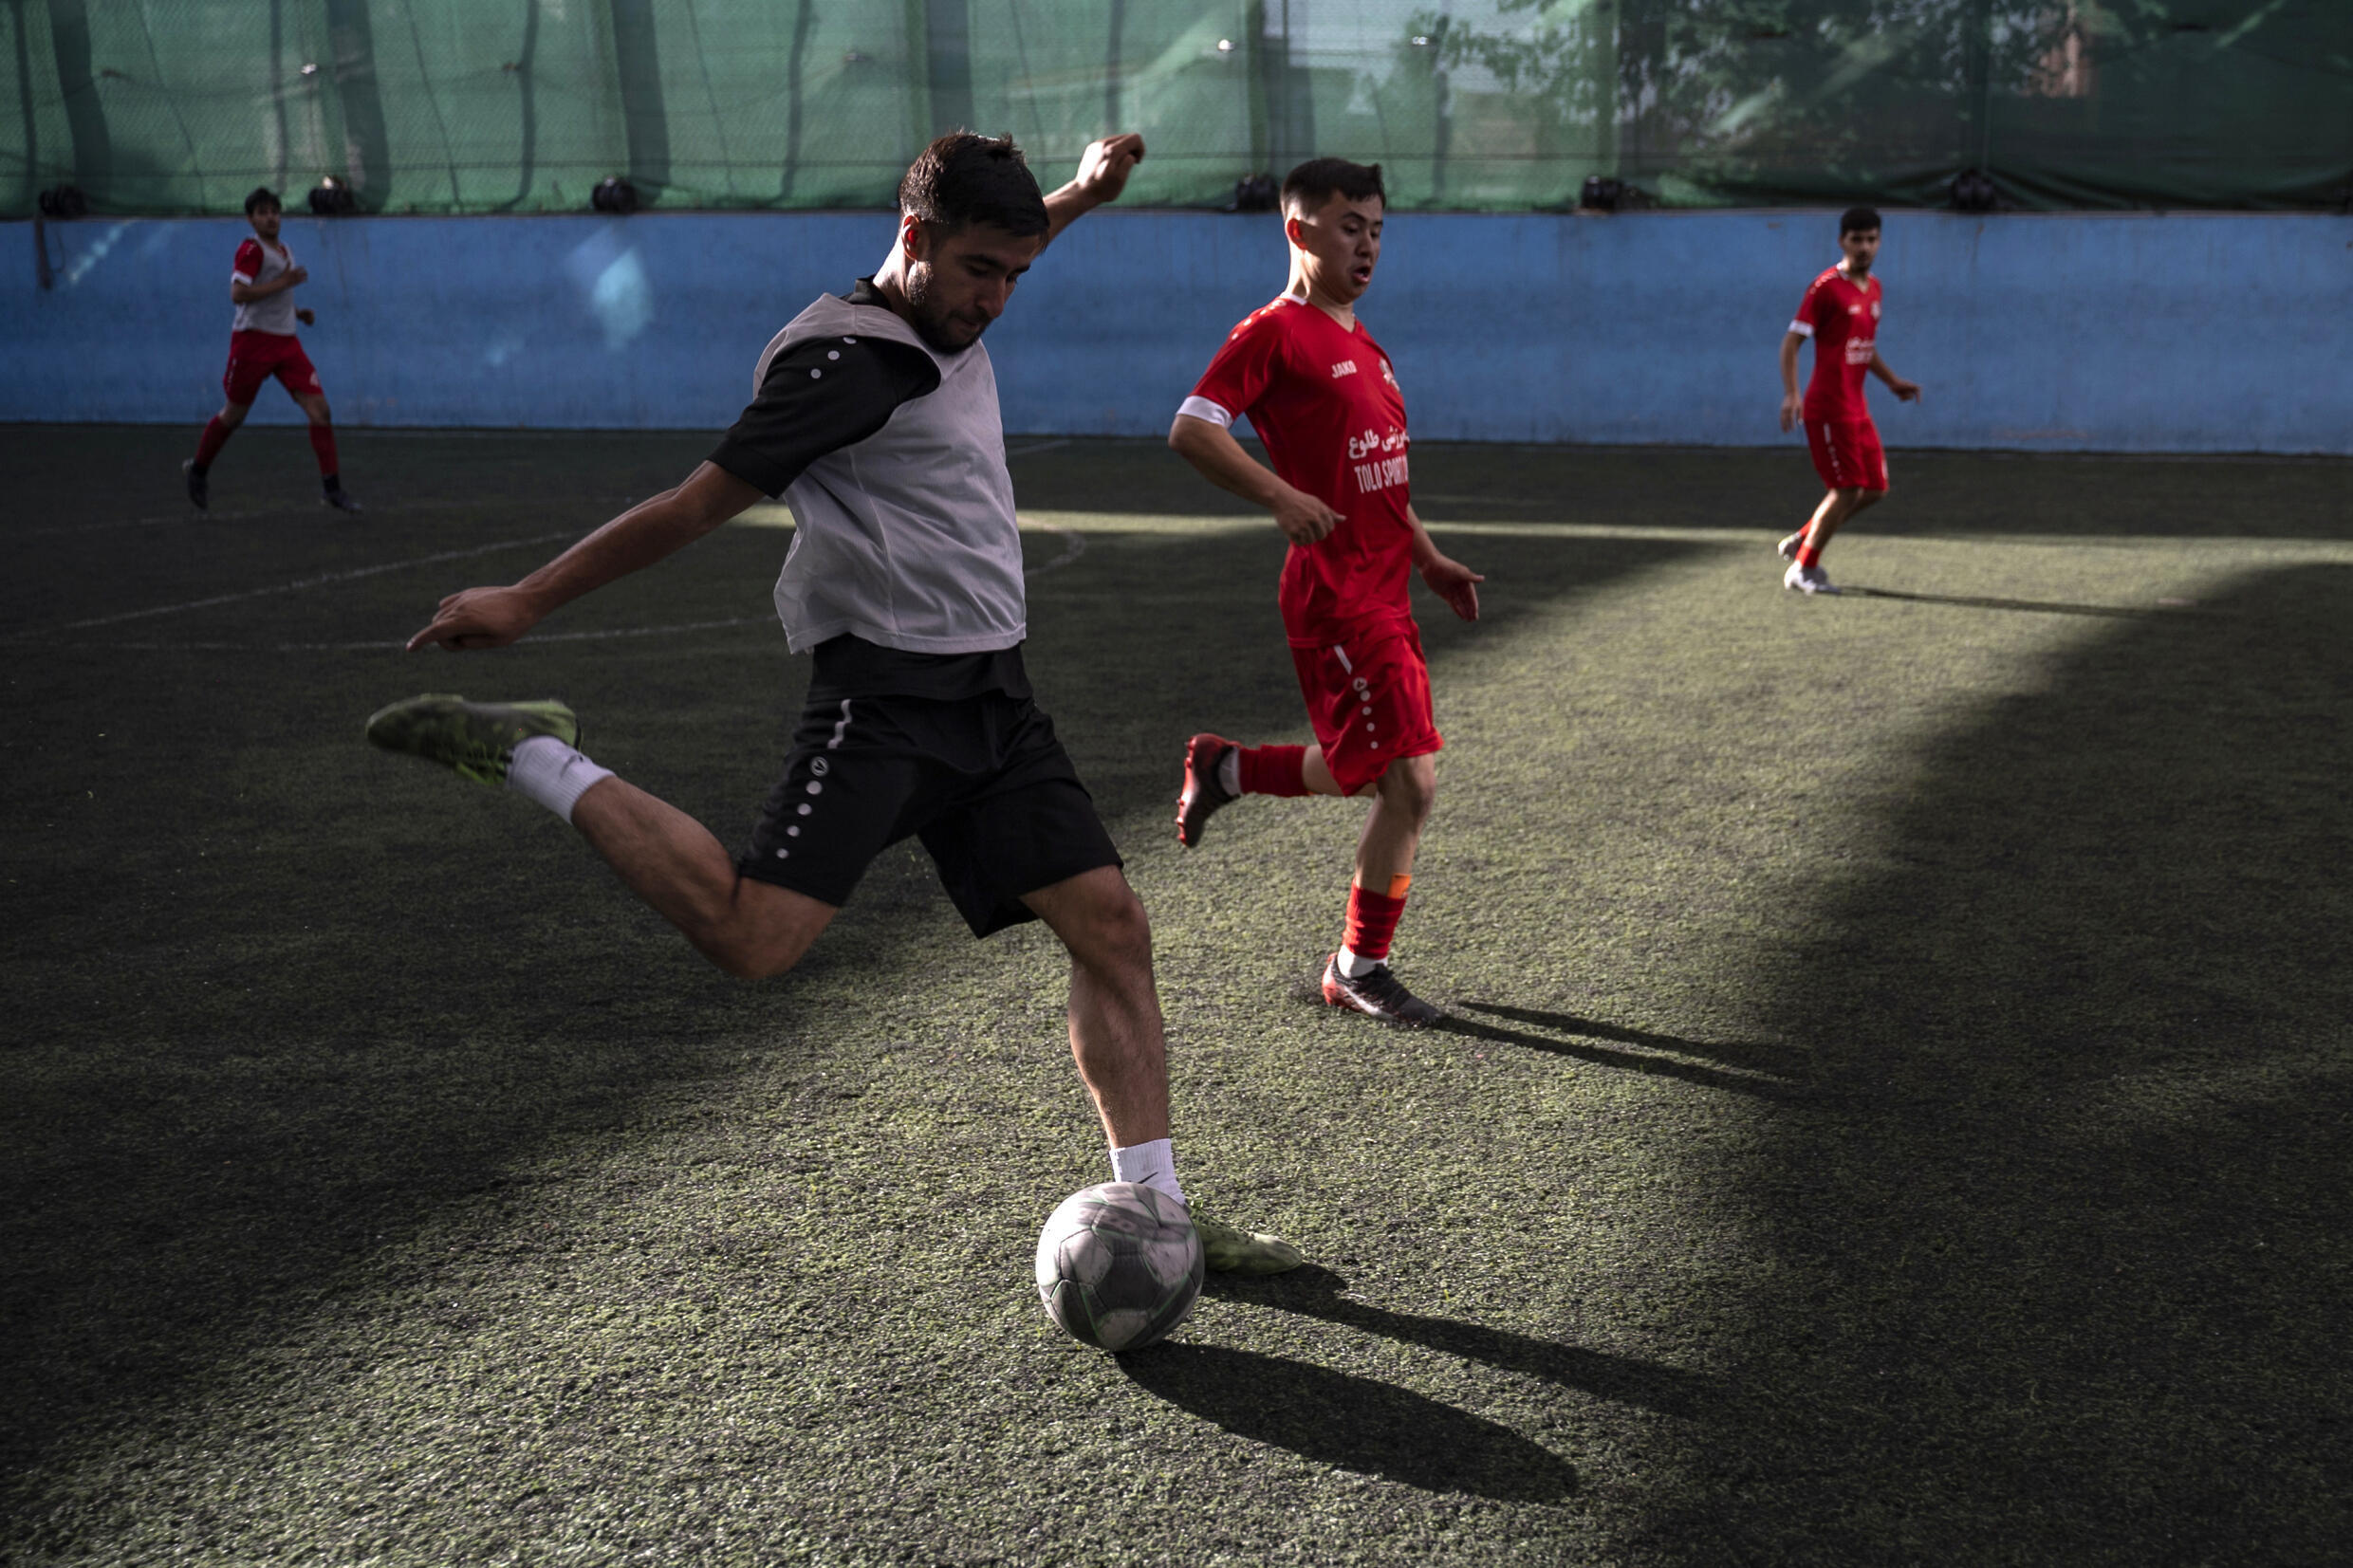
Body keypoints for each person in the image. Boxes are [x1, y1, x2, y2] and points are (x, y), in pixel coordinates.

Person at [364, 131, 1298, 1277]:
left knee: (1111, 927)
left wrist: (1083, 195)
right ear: (914, 240)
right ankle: (536, 757)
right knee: (753, 942)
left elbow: (1009, 240)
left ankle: (1156, 1207)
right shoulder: (841, 366)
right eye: (978, 273)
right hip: (887, 701)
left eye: (1013, 272)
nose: (997, 299)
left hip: (994, 698)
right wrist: (527, 599)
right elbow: (692, 504)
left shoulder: (951, 287)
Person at [1165, 157, 1483, 1029]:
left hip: (1387, 588)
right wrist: (1277, 492)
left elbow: (1382, 477)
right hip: (1337, 596)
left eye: (1377, 228)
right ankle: (1358, 967)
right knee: (1409, 782)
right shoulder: (1275, 331)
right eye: (1351, 226)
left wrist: (1428, 556)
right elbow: (1191, 427)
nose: (1369, 243)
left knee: (1370, 770)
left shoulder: (1364, 340)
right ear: (1299, 230)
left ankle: (1226, 767)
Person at [184, 187, 361, 514]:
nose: (271, 217)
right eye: (263, 212)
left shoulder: (284, 250)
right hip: (252, 343)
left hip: (286, 343)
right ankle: (198, 470)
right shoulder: (251, 249)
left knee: (320, 411)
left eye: (275, 211)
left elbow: (274, 296)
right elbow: (238, 293)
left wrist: (297, 312)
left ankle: (332, 489)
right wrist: (285, 284)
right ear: (251, 219)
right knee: (233, 416)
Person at [1776, 206, 1919, 594]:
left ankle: (1804, 539)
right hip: (1828, 408)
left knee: (1874, 489)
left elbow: (1862, 346)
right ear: (1842, 241)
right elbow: (1792, 342)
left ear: (1879, 242)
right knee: (1847, 489)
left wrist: (1891, 382)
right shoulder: (1825, 289)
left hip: (1858, 408)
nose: (1864, 247)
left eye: (1871, 239)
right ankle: (1803, 569)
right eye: (1856, 240)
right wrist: (1792, 393)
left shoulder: (1874, 289)